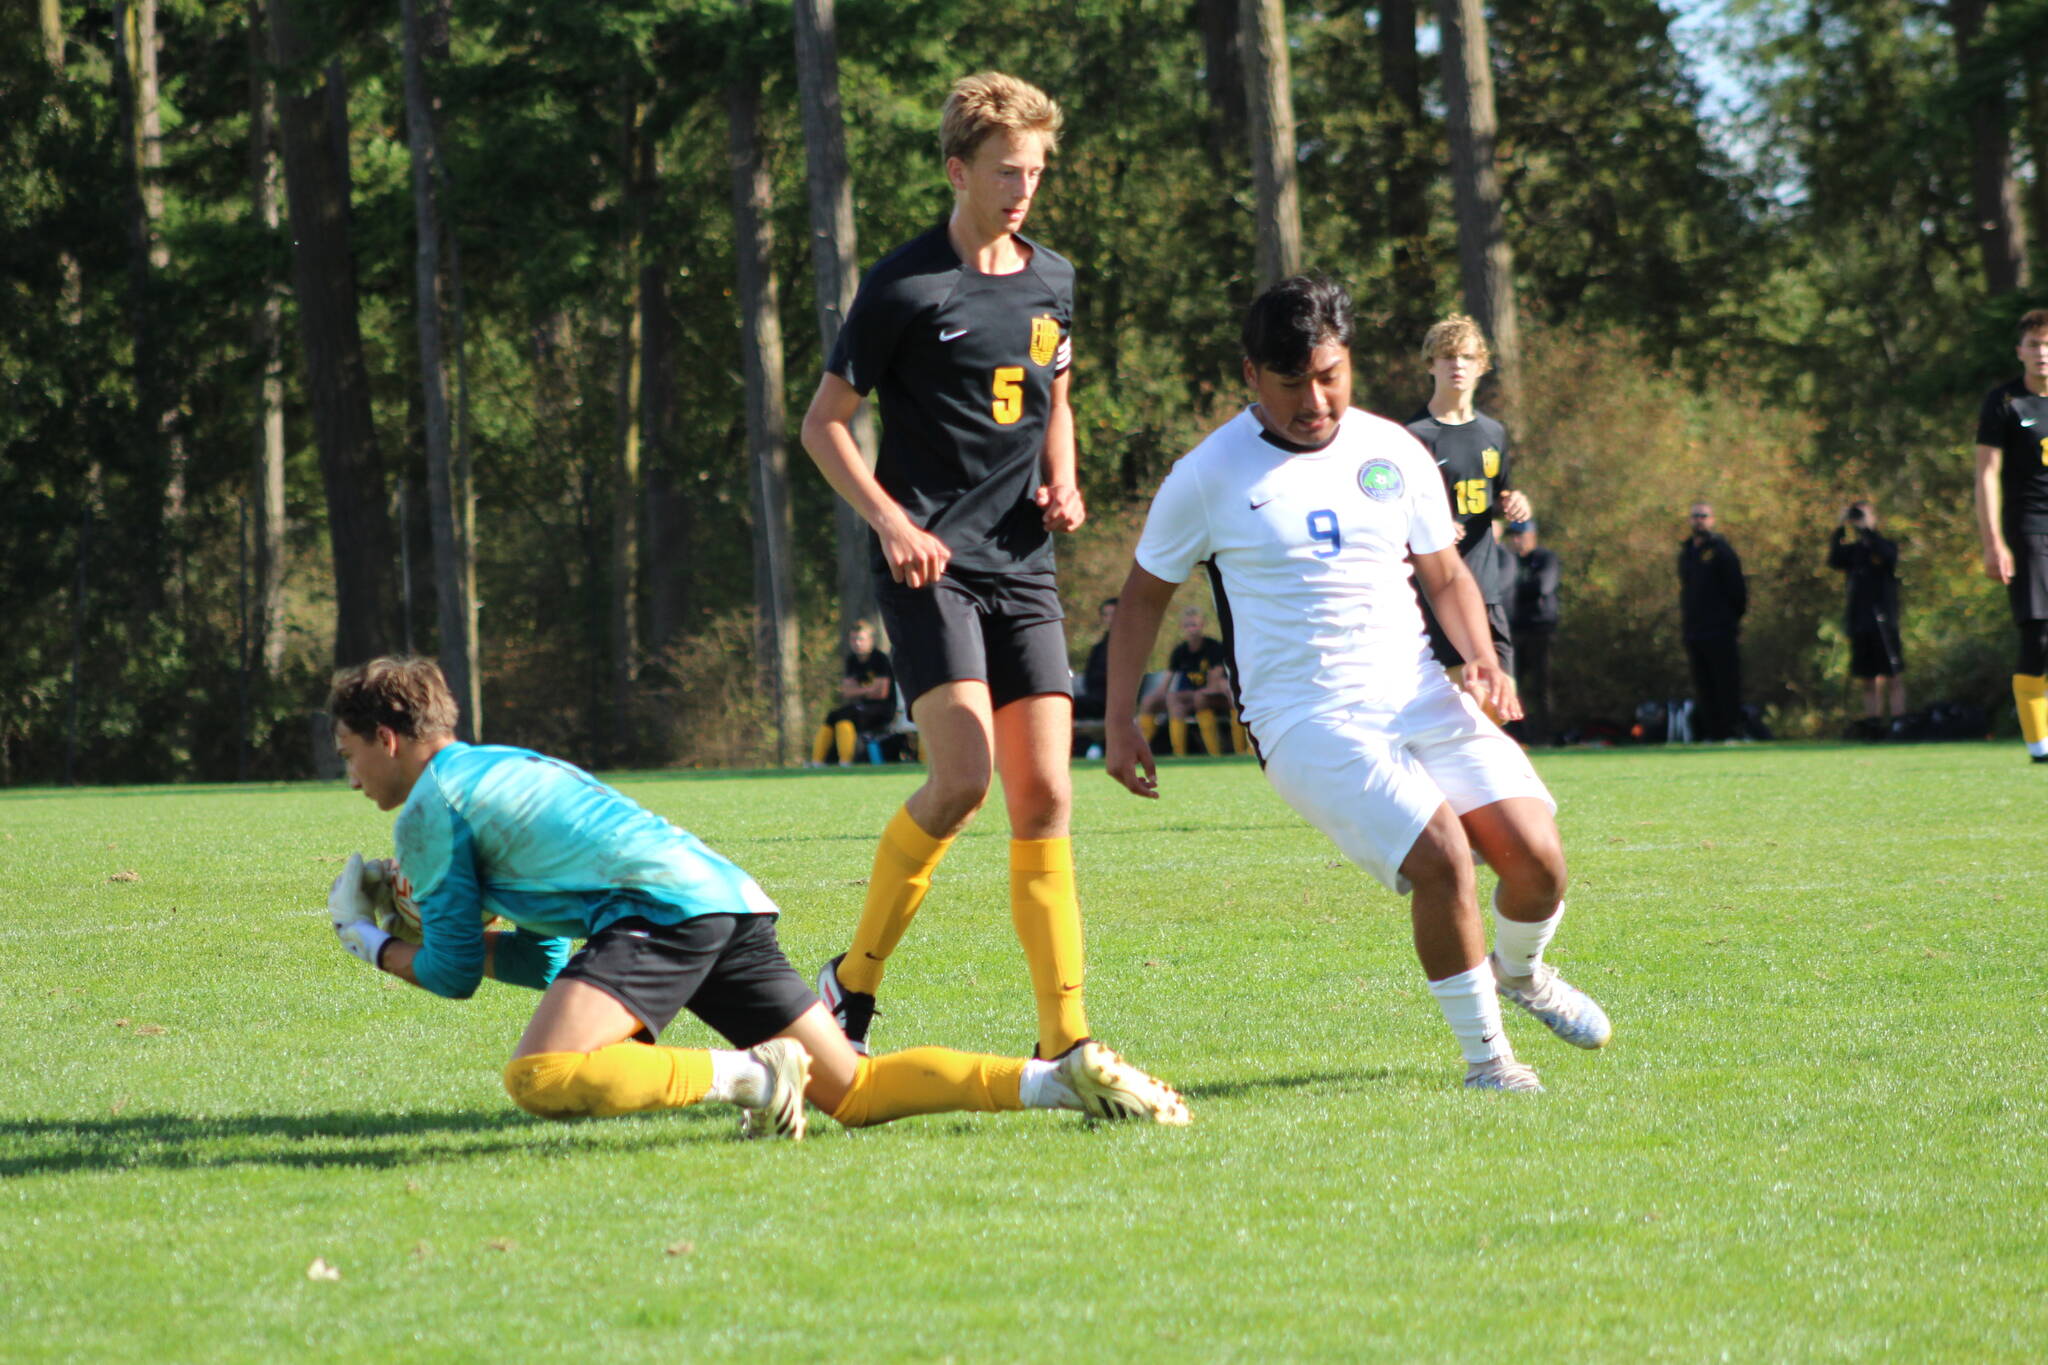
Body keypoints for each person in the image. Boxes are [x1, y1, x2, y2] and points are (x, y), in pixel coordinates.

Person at [322, 657, 1188, 1140]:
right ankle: (1057, 1081)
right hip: (720, 899)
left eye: (351, 753)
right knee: (854, 1089)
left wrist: (366, 937)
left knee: (541, 1076)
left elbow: (452, 975)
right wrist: (446, 935)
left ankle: (752, 1076)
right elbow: (549, 958)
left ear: (390, 739)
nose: (351, 775)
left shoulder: (430, 809)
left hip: (659, 914)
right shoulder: (493, 764)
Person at [1104, 276, 1611, 1094]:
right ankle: (1490, 1063)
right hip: (1304, 715)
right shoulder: (1206, 474)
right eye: (1293, 381)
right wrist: (1121, 716)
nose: (1316, 399)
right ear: (1251, 376)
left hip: (1415, 687)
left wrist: (1481, 656)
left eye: (1331, 374)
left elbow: (1444, 574)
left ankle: (1521, 976)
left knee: (1539, 862)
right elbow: (1140, 601)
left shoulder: (1394, 449)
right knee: (1444, 854)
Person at [797, 72, 1166, 1082]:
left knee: (1045, 794)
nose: (1023, 190)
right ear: (958, 170)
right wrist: (889, 523)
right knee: (963, 783)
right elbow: (821, 425)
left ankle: (1065, 1036)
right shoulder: (904, 287)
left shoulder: (1054, 280)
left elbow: (1053, 394)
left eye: (1036, 172)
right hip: (934, 569)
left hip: (1023, 567)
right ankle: (851, 983)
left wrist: (1065, 480)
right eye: (1007, 172)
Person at [1405, 315, 1532, 720]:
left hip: (1487, 591)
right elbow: (1394, 515)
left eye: (1466, 356)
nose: (1457, 365)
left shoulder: (1494, 432)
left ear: (1482, 365)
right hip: (1438, 594)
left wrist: (1517, 504)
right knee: (1462, 712)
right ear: (1430, 365)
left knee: (1500, 707)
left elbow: (1502, 492)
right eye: (1446, 357)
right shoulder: (1413, 436)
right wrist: (1431, 526)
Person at [1972, 308, 2048, 763]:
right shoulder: (2004, 402)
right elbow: (1986, 474)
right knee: (2040, 634)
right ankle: (2040, 744)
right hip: (2031, 528)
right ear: (2020, 351)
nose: (2042, 354)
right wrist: (1992, 541)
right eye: (2035, 345)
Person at [1827, 501, 1905, 730]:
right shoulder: (1854, 552)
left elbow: (1888, 557)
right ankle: (1873, 721)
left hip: (1884, 620)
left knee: (1893, 673)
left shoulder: (1884, 545)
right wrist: (1841, 527)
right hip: (1860, 621)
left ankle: (1899, 721)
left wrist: (1868, 528)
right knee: (1867, 676)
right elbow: (1834, 559)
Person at [1678, 501, 1748, 742]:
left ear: (1712, 519)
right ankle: (1713, 733)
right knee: (1704, 685)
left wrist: (1729, 621)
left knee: (1726, 682)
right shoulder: (1687, 551)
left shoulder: (1721, 550)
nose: (1699, 520)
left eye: (1704, 516)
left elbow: (1738, 592)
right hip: (1694, 631)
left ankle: (1732, 731)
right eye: (1695, 516)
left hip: (1720, 630)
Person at [1137, 606, 1246, 756]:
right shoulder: (1180, 651)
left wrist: (1207, 690)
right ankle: (1170, 754)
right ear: (1182, 627)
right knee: (1156, 701)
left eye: (1194, 625)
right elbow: (1168, 678)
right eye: (1187, 625)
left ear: (1202, 625)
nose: (1191, 629)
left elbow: (1216, 678)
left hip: (1212, 696)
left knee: (1204, 696)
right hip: (1189, 696)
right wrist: (1158, 695)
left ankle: (1228, 752)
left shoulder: (1213, 647)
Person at [810, 620, 896, 767]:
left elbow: (881, 693)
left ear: (870, 640)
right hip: (861, 708)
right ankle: (820, 761)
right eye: (853, 639)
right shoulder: (852, 661)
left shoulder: (880, 659)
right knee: (835, 716)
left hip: (882, 709)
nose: (857, 643)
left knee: (845, 714)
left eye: (861, 639)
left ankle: (844, 761)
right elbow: (847, 692)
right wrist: (869, 690)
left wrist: (859, 691)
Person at [1507, 519, 1559, 747]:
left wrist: (1514, 589)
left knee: (1542, 686)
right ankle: (1518, 736)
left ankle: (1546, 736)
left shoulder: (1546, 558)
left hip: (1540, 629)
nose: (1517, 540)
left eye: (1521, 535)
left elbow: (1542, 586)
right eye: (1514, 536)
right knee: (1513, 685)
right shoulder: (1510, 561)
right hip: (1515, 630)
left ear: (1532, 535)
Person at [1072, 598, 1117, 723]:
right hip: (1094, 697)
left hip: (1111, 702)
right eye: (1106, 615)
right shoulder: (1099, 647)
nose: (1110, 619)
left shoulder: (1127, 645)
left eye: (1114, 614)